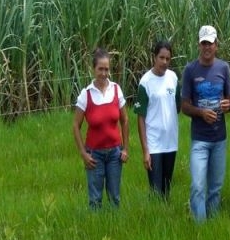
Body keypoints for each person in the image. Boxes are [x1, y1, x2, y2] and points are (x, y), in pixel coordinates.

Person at [181, 25, 230, 222]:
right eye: (203, 43)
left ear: (216, 45)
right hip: (200, 139)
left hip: (219, 138)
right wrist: (201, 112)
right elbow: (184, 105)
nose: (207, 47)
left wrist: (229, 105)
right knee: (197, 185)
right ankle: (200, 226)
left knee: (215, 187)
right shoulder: (190, 70)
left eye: (210, 43)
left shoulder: (224, 68)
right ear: (199, 45)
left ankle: (213, 223)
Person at [72, 48, 130, 209]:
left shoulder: (116, 90)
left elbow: (125, 120)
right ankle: (96, 228)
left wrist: (125, 149)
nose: (104, 73)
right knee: (95, 200)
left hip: (114, 154)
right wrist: (83, 153)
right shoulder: (86, 94)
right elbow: (76, 126)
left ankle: (114, 229)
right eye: (100, 69)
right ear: (93, 69)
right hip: (94, 155)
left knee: (115, 198)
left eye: (107, 69)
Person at [134, 40, 181, 199]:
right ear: (154, 57)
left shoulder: (173, 78)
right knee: (155, 189)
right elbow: (140, 118)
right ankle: (153, 216)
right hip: (154, 144)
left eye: (168, 59)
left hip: (171, 143)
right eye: (161, 57)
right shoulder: (145, 82)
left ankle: (166, 218)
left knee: (166, 189)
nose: (164, 62)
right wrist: (145, 150)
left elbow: (178, 106)